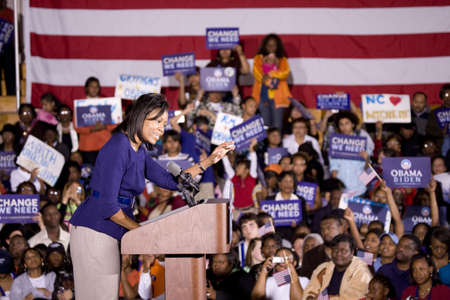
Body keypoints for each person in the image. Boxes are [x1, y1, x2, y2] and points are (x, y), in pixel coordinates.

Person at [69, 93, 234, 300]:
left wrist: (210, 160)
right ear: (141, 116)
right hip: (94, 229)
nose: (162, 129)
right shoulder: (119, 146)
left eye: (164, 123)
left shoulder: (139, 151)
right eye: (157, 121)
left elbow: (171, 180)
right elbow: (108, 206)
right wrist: (144, 235)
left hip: (110, 231)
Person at [303, 234, 373, 300]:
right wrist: (310, 297)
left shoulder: (361, 271)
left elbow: (355, 297)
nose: (339, 254)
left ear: (352, 253)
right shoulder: (323, 268)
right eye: (335, 250)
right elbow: (310, 290)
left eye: (343, 251)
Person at [252, 34, 291, 129]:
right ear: (264, 46)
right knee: (265, 125)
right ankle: (266, 144)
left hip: (278, 97)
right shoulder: (258, 58)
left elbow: (285, 73)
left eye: (274, 45)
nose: (271, 47)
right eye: (268, 45)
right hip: (262, 96)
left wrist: (271, 73)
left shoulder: (282, 60)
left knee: (277, 126)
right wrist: (265, 75)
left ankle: (277, 144)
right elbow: (257, 73)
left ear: (278, 47)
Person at [75, 77, 116, 165]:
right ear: (86, 88)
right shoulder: (80, 104)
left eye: (96, 87)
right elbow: (76, 126)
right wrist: (92, 129)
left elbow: (115, 122)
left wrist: (105, 126)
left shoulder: (107, 102)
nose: (94, 89)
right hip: (87, 147)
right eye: (91, 86)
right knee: (90, 175)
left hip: (105, 144)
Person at [377, 234, 421, 299]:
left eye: (406, 247)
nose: (400, 249)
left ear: (416, 252)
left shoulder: (418, 274)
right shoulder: (384, 270)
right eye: (399, 245)